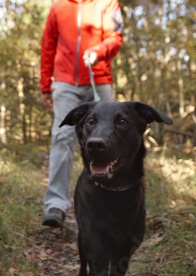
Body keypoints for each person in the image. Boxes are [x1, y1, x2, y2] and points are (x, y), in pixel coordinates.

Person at [40, 0, 124, 227]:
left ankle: (109, 204)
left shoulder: (108, 3)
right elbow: (48, 45)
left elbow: (115, 38)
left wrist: (99, 51)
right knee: (62, 136)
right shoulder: (58, 6)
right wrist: (45, 85)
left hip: (99, 78)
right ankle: (56, 204)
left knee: (109, 139)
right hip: (65, 82)